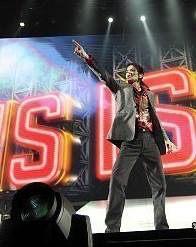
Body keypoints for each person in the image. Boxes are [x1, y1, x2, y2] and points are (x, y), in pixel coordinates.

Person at [73, 40, 178, 233]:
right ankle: (112, 228)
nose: (128, 73)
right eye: (127, 71)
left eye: (131, 71)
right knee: (117, 180)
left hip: (150, 140)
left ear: (140, 75)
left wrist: (166, 139)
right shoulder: (121, 88)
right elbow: (103, 75)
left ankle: (162, 228)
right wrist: (86, 57)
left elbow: (155, 119)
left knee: (160, 185)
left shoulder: (149, 94)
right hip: (131, 140)